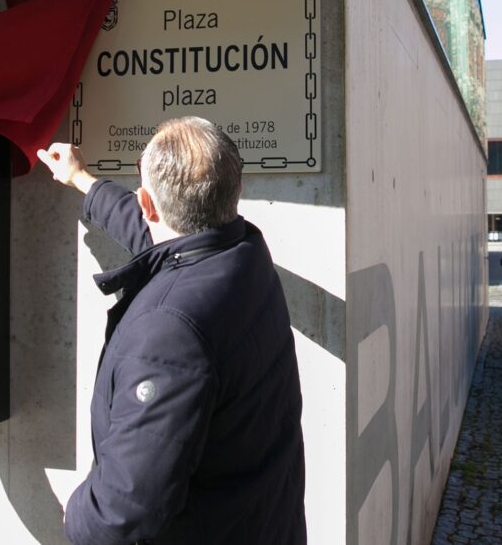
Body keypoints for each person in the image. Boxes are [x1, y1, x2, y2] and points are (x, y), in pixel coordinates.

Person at [36, 116, 306, 545]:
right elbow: (159, 239)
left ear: (148, 204)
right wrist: (81, 179)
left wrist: (78, 510)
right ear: (234, 189)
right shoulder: (242, 252)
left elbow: (121, 514)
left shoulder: (168, 334)